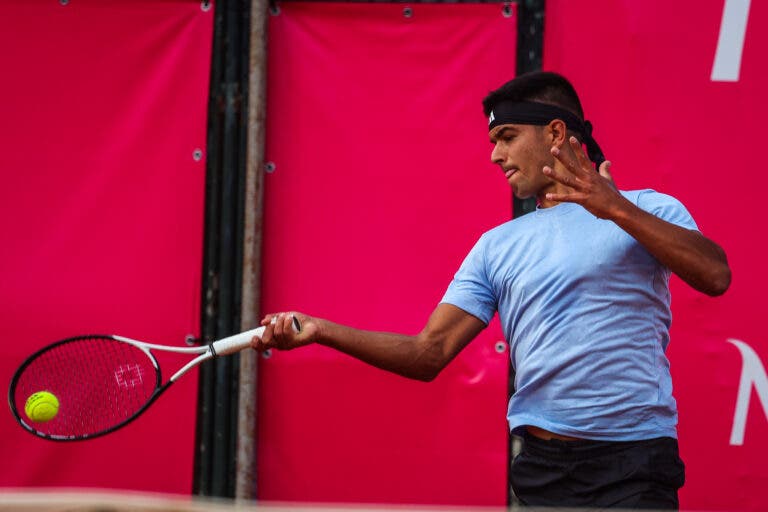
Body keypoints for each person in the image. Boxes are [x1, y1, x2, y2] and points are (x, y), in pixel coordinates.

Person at [250, 71, 731, 509]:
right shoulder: (496, 246)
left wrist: (614, 208)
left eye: (506, 137)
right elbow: (429, 353)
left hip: (635, 467)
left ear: (557, 134)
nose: (494, 155)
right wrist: (319, 330)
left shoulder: (648, 208)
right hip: (543, 474)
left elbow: (715, 276)